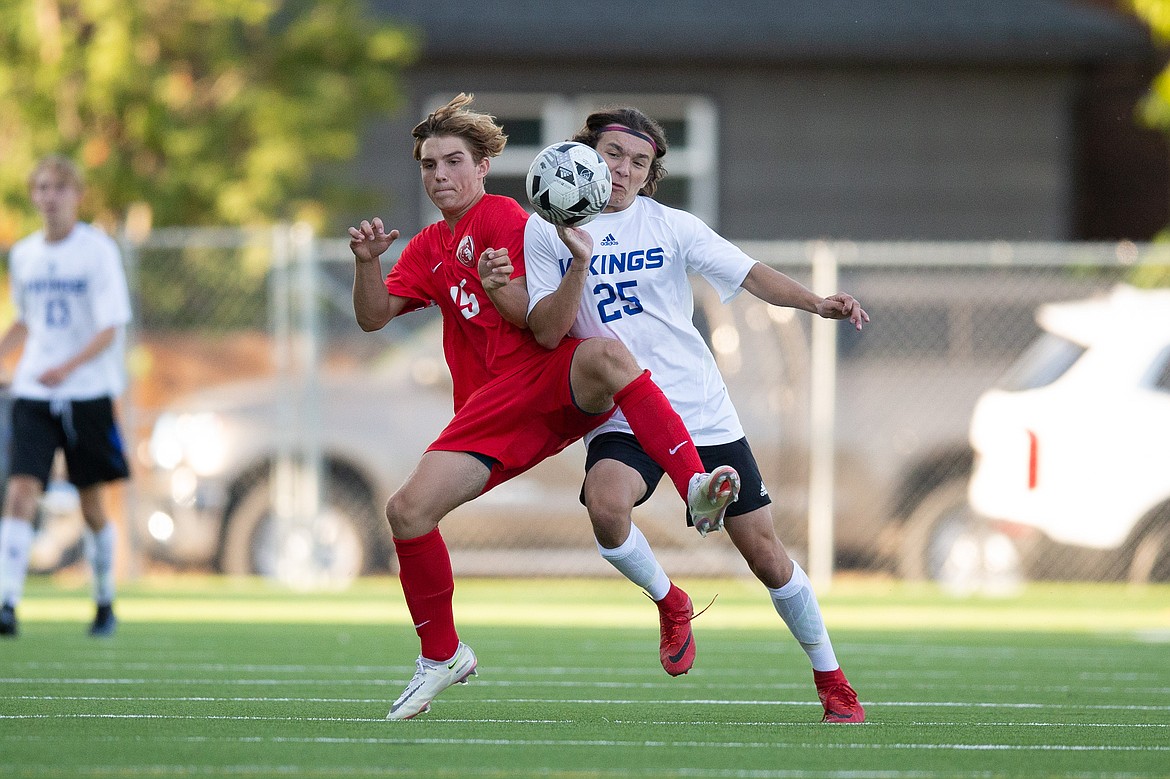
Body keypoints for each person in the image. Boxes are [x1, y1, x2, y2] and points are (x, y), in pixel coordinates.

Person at [349, 94, 740, 720]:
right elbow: (372, 317)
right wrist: (367, 263)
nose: (440, 175)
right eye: (429, 165)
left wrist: (515, 282)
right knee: (407, 511)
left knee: (606, 355)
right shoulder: (426, 248)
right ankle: (441, 656)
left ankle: (696, 483)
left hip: (549, 381)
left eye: (454, 162)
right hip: (495, 412)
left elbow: (547, 326)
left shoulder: (512, 218)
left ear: (482, 170)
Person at [524, 107, 870, 723]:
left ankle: (832, 678)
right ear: (584, 156)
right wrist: (580, 258)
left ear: (651, 173)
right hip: (623, 411)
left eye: (639, 162)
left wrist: (817, 303)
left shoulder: (672, 226)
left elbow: (748, 272)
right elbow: (548, 333)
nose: (623, 170)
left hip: (698, 409)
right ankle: (670, 599)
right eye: (611, 155)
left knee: (765, 556)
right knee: (606, 508)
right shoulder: (546, 229)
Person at [0, 155, 132, 639]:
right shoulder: (26, 254)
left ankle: (103, 601)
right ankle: (7, 602)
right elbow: (27, 319)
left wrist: (68, 367)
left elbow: (110, 326)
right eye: (41, 188)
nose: (49, 196)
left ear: (76, 194)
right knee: (20, 490)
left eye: (58, 187)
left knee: (91, 502)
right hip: (35, 390)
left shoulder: (96, 251)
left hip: (86, 392)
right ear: (33, 195)